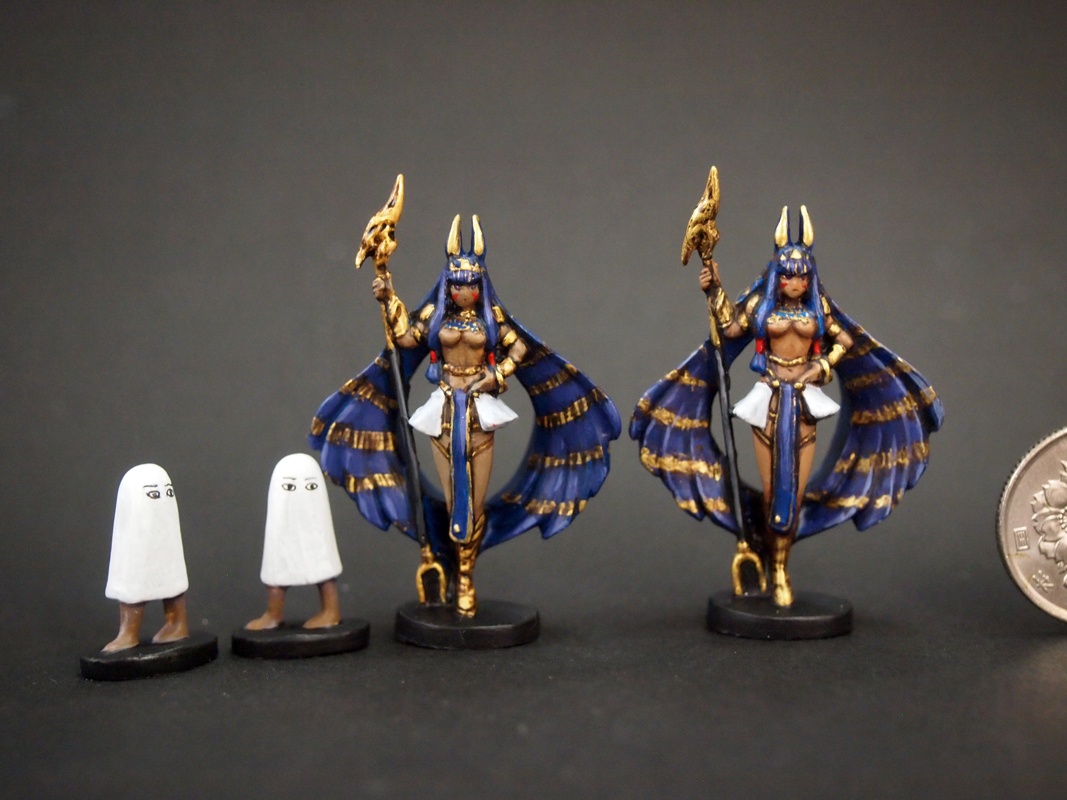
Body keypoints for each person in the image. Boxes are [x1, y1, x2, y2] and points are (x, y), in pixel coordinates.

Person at [631, 204, 943, 607]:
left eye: (802, 275)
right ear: (777, 274)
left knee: (792, 495)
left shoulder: (817, 309)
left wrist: (822, 365)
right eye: (788, 274)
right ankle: (767, 557)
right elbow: (730, 329)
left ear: (809, 276)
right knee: (771, 493)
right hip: (769, 402)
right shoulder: (762, 308)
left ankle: (780, 566)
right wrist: (714, 289)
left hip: (805, 406)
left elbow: (846, 340)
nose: (795, 281)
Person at [311, 215, 620, 616]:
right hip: (442, 412)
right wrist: (388, 297)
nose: (463, 290)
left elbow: (520, 349)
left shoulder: (491, 319)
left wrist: (498, 374)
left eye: (470, 284)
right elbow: (405, 337)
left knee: (473, 505)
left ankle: (466, 577)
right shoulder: (436, 317)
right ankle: (453, 566)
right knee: (453, 501)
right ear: (448, 284)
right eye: (457, 284)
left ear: (480, 284)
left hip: (478, 413)